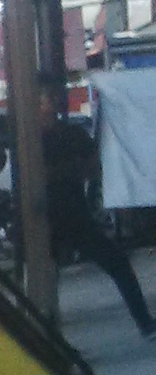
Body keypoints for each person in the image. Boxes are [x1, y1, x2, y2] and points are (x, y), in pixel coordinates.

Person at [40, 94, 156, 337]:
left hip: (72, 215)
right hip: (42, 217)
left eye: (45, 97)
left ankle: (145, 323)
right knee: (41, 279)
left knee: (117, 263)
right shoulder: (28, 138)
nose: (44, 104)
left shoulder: (69, 135)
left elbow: (94, 167)